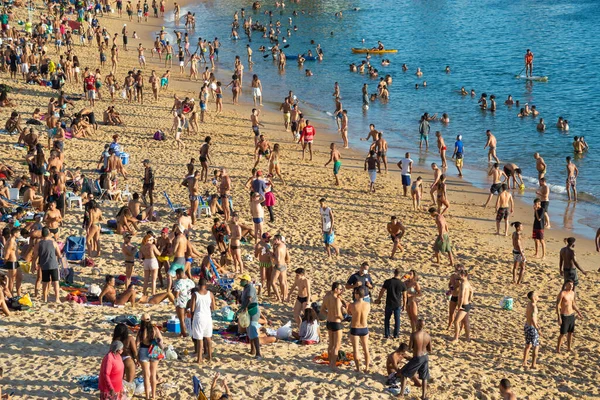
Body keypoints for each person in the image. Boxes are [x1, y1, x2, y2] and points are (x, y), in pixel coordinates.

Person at [398, 319, 431, 400]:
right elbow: (430, 349)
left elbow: (410, 348)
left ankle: (401, 394)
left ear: (417, 325)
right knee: (424, 377)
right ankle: (423, 396)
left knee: (404, 373)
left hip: (417, 357)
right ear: (423, 325)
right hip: (425, 357)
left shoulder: (414, 335)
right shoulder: (428, 336)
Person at [136, 313, 163, 400]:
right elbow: (160, 340)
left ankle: (147, 396)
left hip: (143, 350)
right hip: (154, 350)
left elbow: (136, 344)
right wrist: (162, 350)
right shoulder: (155, 329)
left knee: (146, 376)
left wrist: (136, 358)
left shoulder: (141, 331)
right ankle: (153, 396)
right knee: (153, 374)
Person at [31, 228, 61, 303]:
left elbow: (35, 256)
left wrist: (33, 265)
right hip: (53, 264)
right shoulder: (53, 243)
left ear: (42, 234)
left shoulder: (38, 244)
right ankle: (57, 299)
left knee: (45, 282)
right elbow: (59, 254)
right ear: (48, 233)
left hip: (44, 265)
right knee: (56, 282)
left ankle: (45, 299)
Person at [375, 268, 407, 339]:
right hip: (397, 304)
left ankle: (387, 334)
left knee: (387, 319)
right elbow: (404, 296)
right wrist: (404, 305)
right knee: (397, 320)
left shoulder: (388, 281)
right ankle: (396, 334)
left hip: (389, 302)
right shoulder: (402, 284)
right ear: (400, 274)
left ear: (394, 273)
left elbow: (382, 291)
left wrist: (379, 299)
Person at [321, 282, 347, 370]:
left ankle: (330, 362)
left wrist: (329, 314)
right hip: (336, 323)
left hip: (329, 321)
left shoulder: (326, 297)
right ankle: (333, 364)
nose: (341, 291)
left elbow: (322, 310)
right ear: (336, 289)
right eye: (340, 289)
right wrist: (344, 317)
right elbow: (338, 314)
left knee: (331, 344)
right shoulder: (337, 300)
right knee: (337, 345)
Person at [191, 278, 215, 364]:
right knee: (208, 338)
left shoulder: (195, 294)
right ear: (206, 285)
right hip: (208, 317)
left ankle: (199, 359)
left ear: (198, 285)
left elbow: (192, 309)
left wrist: (192, 317)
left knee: (199, 339)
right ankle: (210, 356)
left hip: (199, 317)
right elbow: (213, 308)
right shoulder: (210, 294)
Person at [347, 286, 371, 373]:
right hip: (364, 328)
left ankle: (358, 368)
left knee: (356, 349)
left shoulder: (352, 305)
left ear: (357, 294)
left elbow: (349, 313)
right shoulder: (367, 304)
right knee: (366, 349)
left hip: (355, 328)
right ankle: (367, 368)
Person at [556, 280, 583, 353]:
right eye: (569, 285)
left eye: (572, 285)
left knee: (571, 332)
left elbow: (573, 304)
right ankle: (558, 349)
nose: (571, 286)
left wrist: (579, 312)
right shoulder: (562, 293)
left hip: (571, 315)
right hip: (564, 315)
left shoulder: (572, 293)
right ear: (565, 285)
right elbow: (558, 306)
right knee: (562, 333)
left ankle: (569, 347)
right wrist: (559, 317)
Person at [239, 274, 262, 359]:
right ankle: (253, 350)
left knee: (253, 329)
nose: (241, 281)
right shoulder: (245, 288)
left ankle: (258, 353)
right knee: (249, 331)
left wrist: (244, 308)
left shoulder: (250, 288)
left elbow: (249, 299)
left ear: (247, 281)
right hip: (248, 311)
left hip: (253, 311)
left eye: (243, 280)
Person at [450, 269, 473, 343]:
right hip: (467, 305)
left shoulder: (463, 284)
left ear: (463, 275)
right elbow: (472, 291)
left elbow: (461, 296)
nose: (458, 276)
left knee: (456, 322)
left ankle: (456, 337)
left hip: (463, 305)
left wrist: (459, 306)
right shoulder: (467, 283)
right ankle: (467, 338)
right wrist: (469, 299)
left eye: (459, 274)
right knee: (466, 322)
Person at [173, 268, 195, 337]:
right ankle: (189, 331)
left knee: (181, 319)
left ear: (178, 275)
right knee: (188, 318)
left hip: (181, 302)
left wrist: (175, 302)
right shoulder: (191, 281)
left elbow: (176, 294)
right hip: (190, 301)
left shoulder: (179, 282)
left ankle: (183, 333)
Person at [523, 291, 541, 369]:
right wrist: (538, 329)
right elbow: (533, 319)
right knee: (535, 346)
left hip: (527, 325)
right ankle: (533, 364)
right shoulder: (533, 306)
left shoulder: (529, 304)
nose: (538, 296)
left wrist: (537, 324)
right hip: (532, 328)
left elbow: (530, 316)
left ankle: (524, 362)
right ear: (533, 298)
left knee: (528, 345)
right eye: (536, 295)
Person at [270, 234, 290, 302]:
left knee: (273, 282)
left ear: (278, 239)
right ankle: (284, 297)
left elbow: (277, 259)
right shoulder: (283, 246)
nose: (273, 240)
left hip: (278, 266)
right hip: (283, 265)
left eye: (275, 239)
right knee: (283, 282)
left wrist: (271, 256)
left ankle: (279, 297)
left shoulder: (278, 248)